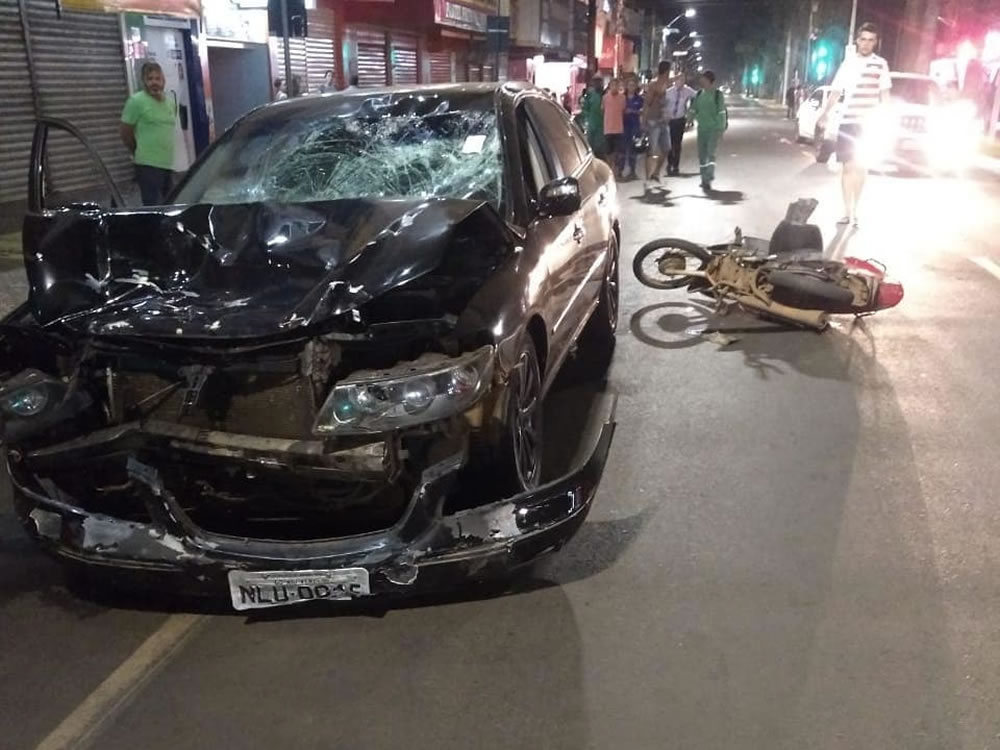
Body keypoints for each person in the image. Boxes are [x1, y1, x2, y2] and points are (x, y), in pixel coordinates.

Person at [817, 22, 891, 228]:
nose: (866, 44)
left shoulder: (881, 64)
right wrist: (825, 114)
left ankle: (855, 210)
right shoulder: (848, 64)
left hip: (868, 124)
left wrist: (886, 118)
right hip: (848, 122)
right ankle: (846, 210)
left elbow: (885, 95)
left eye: (871, 40)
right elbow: (836, 91)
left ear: (875, 43)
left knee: (861, 167)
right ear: (857, 41)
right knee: (848, 167)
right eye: (863, 39)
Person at [120, 61, 177, 206]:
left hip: (167, 164)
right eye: (150, 79)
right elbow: (125, 132)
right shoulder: (136, 101)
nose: (154, 83)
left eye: (157, 79)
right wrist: (137, 151)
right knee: (153, 206)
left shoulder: (170, 103)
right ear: (144, 81)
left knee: (171, 204)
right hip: (147, 165)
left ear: (163, 80)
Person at [687, 70, 728, 192]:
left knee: (711, 153)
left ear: (710, 80)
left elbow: (721, 112)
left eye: (703, 79)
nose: (701, 81)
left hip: (713, 129)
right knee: (702, 155)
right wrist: (689, 119)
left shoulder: (717, 95)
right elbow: (693, 109)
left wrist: (721, 128)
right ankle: (703, 178)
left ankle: (709, 176)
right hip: (702, 129)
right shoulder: (699, 94)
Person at [641, 60, 673, 189]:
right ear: (665, 71)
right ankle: (648, 177)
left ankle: (656, 172)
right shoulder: (653, 85)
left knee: (666, 148)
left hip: (663, 121)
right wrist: (644, 121)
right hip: (653, 121)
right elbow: (647, 103)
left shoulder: (667, 84)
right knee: (651, 150)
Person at [663, 73, 696, 176]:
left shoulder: (687, 91)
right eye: (679, 80)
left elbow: (697, 95)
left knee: (677, 144)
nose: (681, 82)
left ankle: (676, 166)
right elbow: (663, 105)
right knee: (669, 144)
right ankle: (670, 162)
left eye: (683, 80)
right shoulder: (668, 92)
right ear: (675, 81)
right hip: (669, 120)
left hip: (680, 120)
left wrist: (692, 111)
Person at [602, 78, 627, 177]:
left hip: (619, 128)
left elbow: (623, 111)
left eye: (617, 85)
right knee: (609, 152)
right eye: (613, 85)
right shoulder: (605, 98)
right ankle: (610, 169)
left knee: (618, 151)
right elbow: (603, 110)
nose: (615, 87)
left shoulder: (622, 98)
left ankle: (617, 169)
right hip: (608, 128)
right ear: (610, 86)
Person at [622, 77, 644, 180]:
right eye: (629, 85)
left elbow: (643, 111)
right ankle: (620, 170)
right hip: (623, 126)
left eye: (633, 85)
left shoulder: (639, 99)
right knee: (622, 149)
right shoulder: (622, 98)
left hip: (635, 126)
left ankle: (632, 170)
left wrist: (633, 111)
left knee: (633, 150)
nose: (631, 87)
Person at [580, 76, 606, 158]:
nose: (598, 84)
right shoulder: (590, 95)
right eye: (596, 82)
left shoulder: (606, 95)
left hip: (604, 125)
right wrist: (588, 117)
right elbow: (584, 108)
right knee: (591, 145)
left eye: (599, 82)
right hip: (592, 124)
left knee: (602, 147)